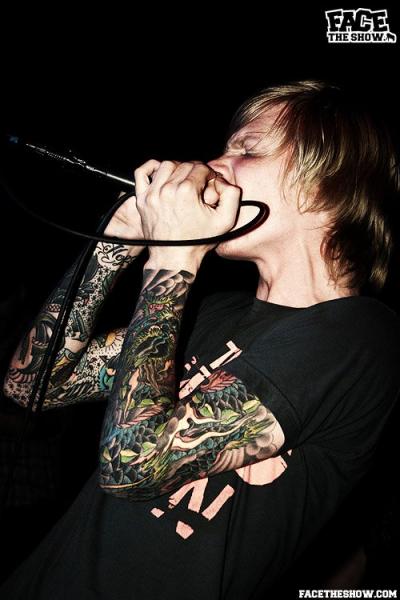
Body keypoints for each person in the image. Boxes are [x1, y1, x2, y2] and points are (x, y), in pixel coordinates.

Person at [1, 79, 399, 599]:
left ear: (326, 184)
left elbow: (132, 466)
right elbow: (30, 384)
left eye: (247, 150)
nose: (213, 164)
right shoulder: (213, 313)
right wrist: (113, 244)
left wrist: (173, 257)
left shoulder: (359, 336)